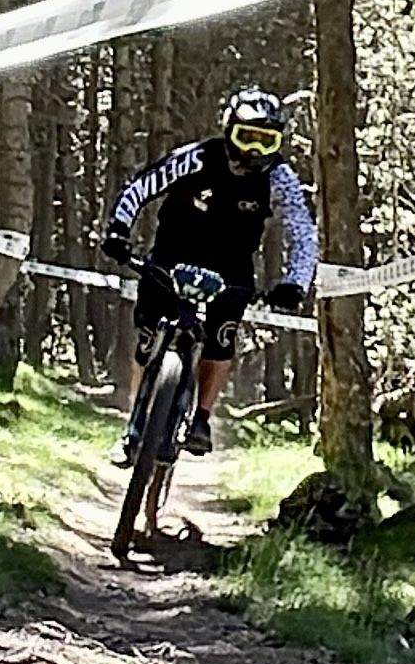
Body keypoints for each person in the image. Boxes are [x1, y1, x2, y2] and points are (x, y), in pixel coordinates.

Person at [102, 87, 318, 457]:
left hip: (231, 267)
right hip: (171, 256)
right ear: (228, 130)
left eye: (266, 142)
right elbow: (141, 186)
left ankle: (201, 417)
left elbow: (302, 229)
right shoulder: (197, 157)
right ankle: (135, 425)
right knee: (147, 338)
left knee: (221, 340)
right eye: (246, 137)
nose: (254, 151)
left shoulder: (279, 178)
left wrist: (295, 283)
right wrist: (119, 230)